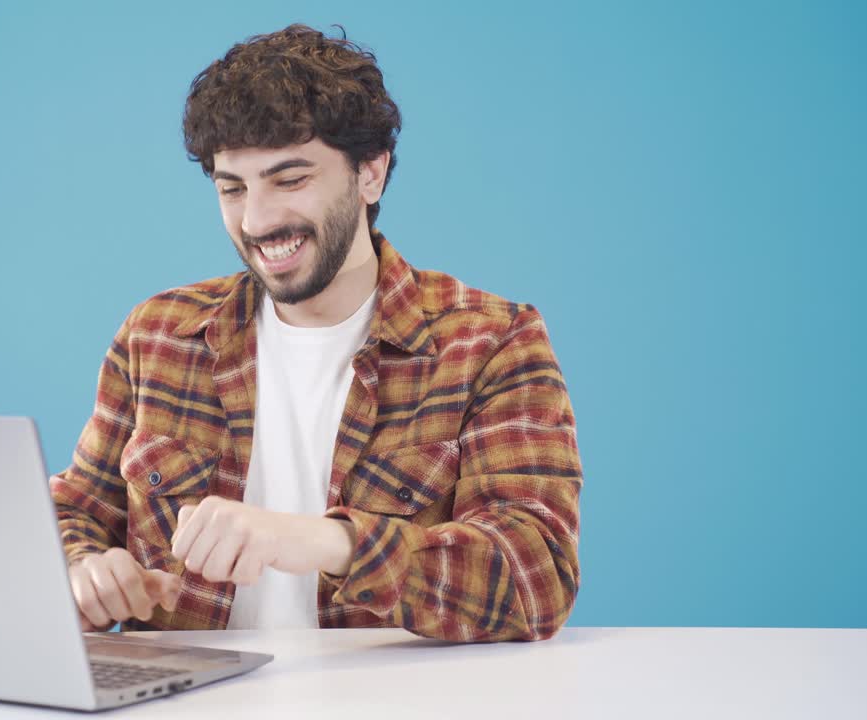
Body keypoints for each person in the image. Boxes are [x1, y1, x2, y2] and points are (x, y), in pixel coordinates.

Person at [49, 24, 582, 643]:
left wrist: (326, 540)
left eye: (290, 179)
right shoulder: (157, 336)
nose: (258, 220)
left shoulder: (491, 342)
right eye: (232, 188)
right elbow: (76, 512)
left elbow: (535, 579)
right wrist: (82, 571)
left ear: (370, 174)